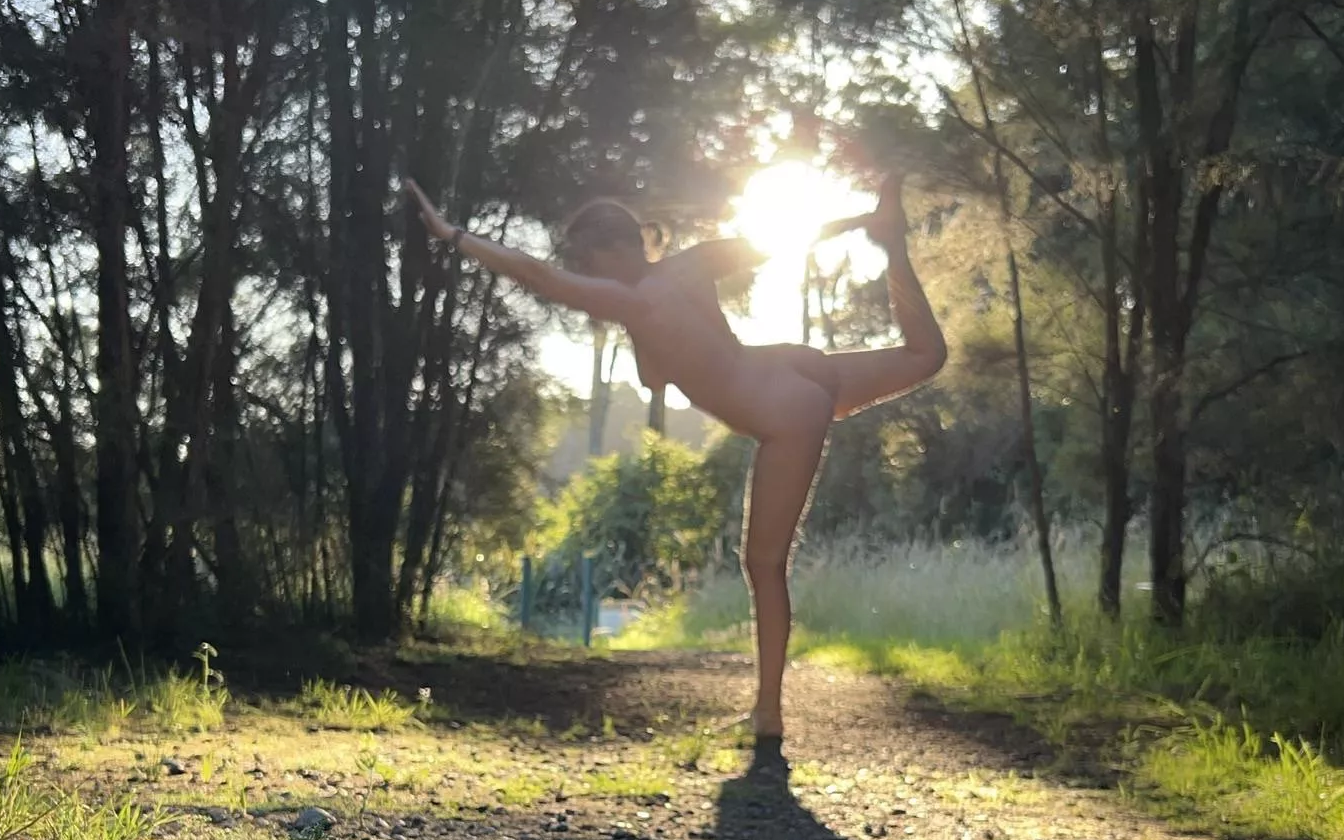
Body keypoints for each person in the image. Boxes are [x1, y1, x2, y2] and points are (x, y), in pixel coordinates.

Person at [402, 171, 948, 773]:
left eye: (590, 262)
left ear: (612, 252)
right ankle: (893, 240)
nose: (590, 276)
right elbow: (789, 239)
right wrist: (860, 224)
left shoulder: (637, 299)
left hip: (785, 410)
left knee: (763, 565)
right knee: (926, 356)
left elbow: (541, 277)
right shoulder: (690, 266)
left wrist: (452, 235)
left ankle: (769, 711)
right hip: (791, 370)